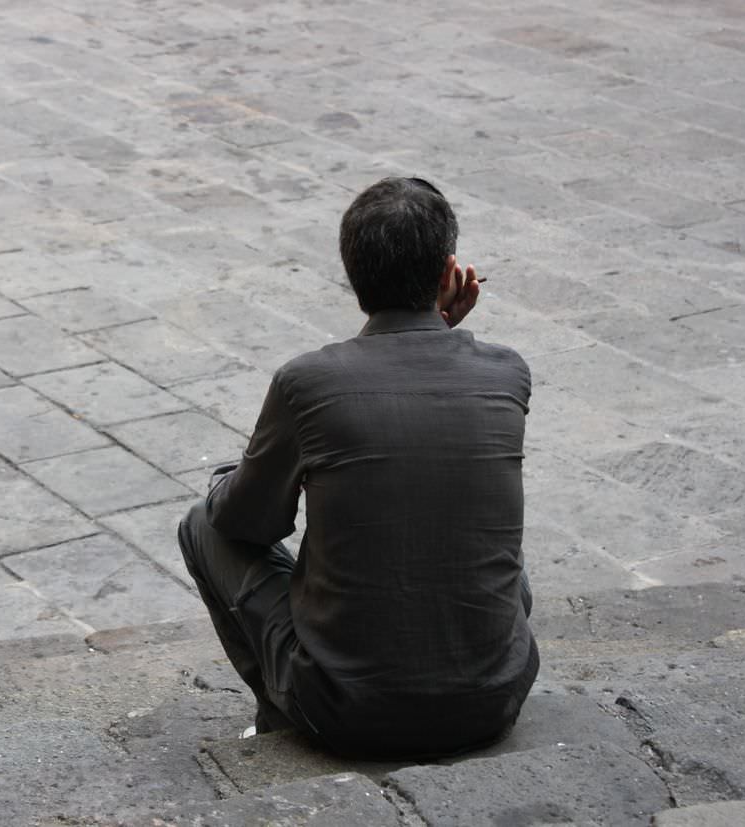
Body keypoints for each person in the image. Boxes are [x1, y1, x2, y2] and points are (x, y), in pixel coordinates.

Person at [177, 177, 537, 760]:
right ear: (449, 270)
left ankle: (281, 712)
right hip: (495, 699)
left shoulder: (309, 382)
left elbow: (248, 526)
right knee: (489, 554)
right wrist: (441, 330)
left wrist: (230, 484)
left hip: (347, 713)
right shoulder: (506, 374)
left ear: (352, 275)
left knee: (201, 522)